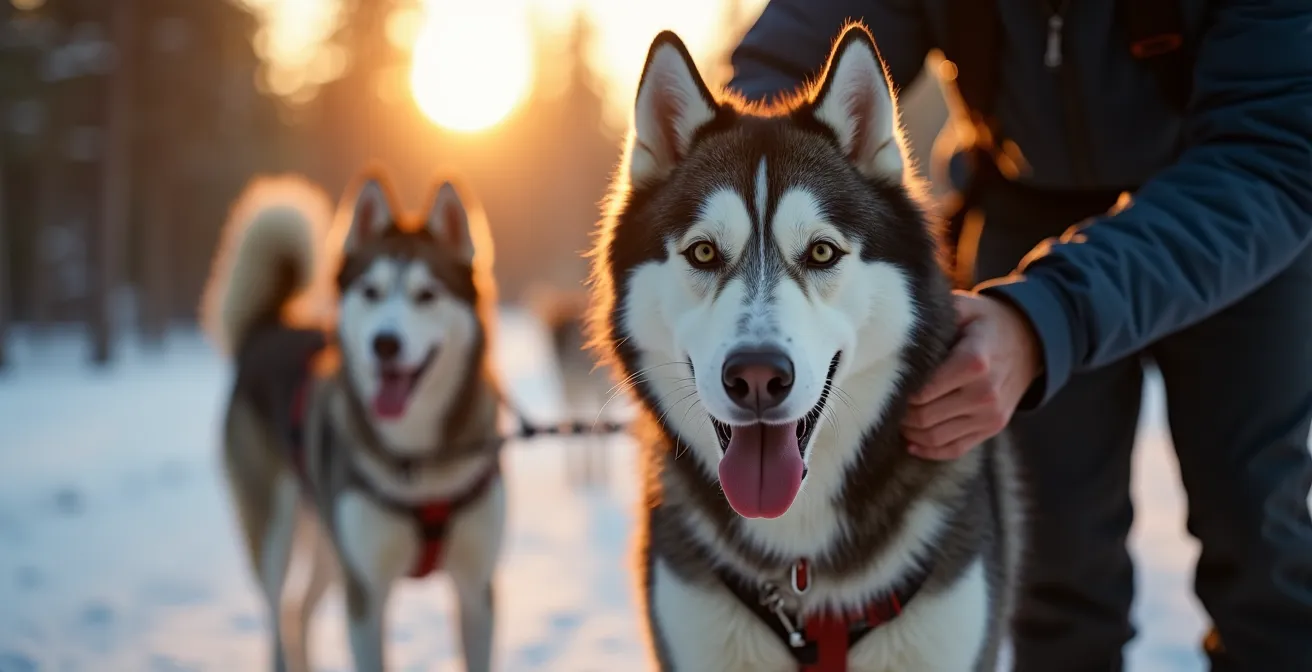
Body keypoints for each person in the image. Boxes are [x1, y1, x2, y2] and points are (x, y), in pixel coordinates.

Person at [728, 1, 1312, 670]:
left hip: (1236, 220)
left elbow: (1275, 149)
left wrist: (1042, 321)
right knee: (1054, 571)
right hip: (1020, 208)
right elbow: (778, 71)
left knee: (1263, 548)